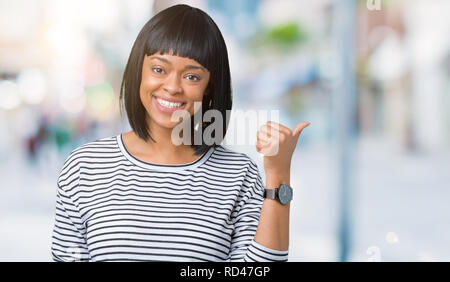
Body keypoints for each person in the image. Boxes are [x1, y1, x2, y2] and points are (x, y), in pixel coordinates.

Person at [51, 4, 309, 262]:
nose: (173, 87)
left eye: (192, 77)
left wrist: (278, 174)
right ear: (138, 70)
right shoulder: (84, 167)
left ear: (209, 86)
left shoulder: (239, 176)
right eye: (159, 69)